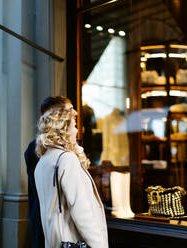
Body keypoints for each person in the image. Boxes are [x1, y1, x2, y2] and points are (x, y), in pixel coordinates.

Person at [34, 99, 109, 247]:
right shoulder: (67, 159)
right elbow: (82, 212)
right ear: (64, 128)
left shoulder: (44, 160)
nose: (76, 131)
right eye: (74, 126)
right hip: (72, 242)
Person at [24, 96, 71, 248]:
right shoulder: (37, 148)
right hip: (47, 220)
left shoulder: (69, 146)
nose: (74, 114)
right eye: (69, 111)